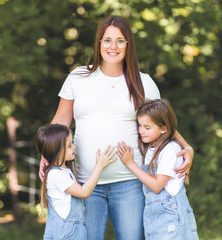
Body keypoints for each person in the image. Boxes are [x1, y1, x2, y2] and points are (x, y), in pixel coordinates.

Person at [39, 15, 195, 240]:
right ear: (99, 43)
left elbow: (163, 124)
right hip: (84, 180)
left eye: (120, 40)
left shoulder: (144, 82)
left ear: (128, 45)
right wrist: (48, 153)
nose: (113, 46)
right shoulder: (78, 77)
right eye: (107, 40)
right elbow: (60, 121)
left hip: (130, 181)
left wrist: (186, 147)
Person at [117, 99, 199, 240]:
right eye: (140, 125)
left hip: (170, 215)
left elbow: (157, 186)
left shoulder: (170, 149)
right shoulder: (152, 147)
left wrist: (130, 164)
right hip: (155, 214)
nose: (140, 131)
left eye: (147, 127)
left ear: (163, 129)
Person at [36, 124, 117, 240]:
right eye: (69, 146)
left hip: (74, 231)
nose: (74, 147)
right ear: (57, 151)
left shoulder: (65, 171)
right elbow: (84, 192)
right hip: (64, 233)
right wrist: (99, 166)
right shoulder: (56, 175)